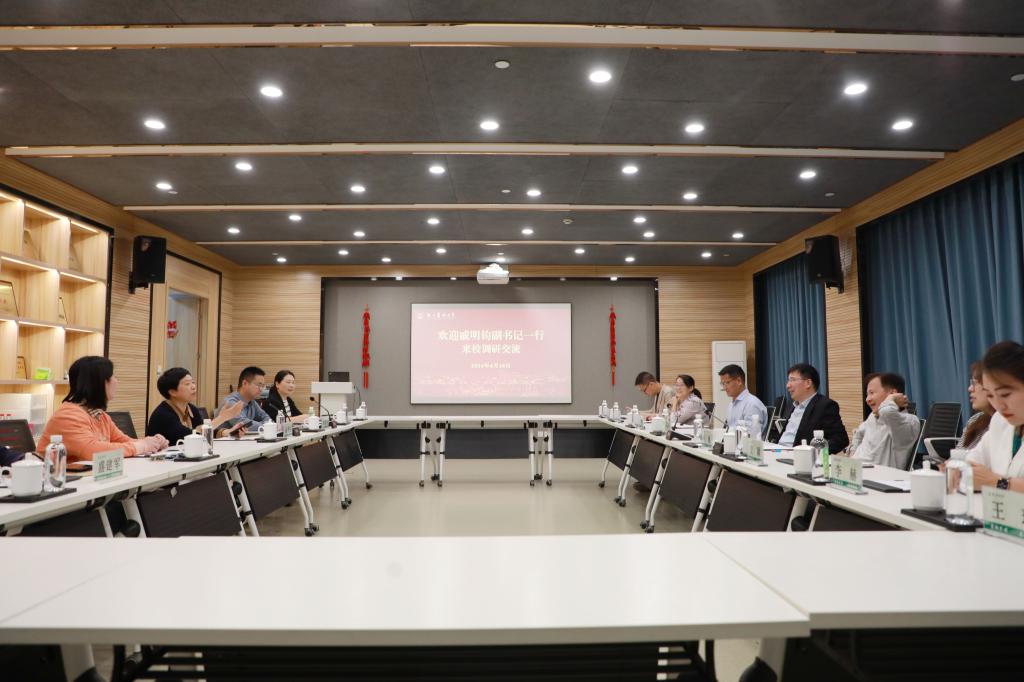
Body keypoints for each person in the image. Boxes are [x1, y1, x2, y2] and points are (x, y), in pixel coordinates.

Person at [36, 356, 167, 463]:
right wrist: (141, 446)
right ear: (98, 383)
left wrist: (152, 442)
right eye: (112, 376)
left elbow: (124, 441)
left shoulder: (100, 415)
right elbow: (92, 450)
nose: (116, 381)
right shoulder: (68, 416)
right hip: (57, 482)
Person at [967, 341, 1024, 490]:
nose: (999, 405)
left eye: (1005, 394)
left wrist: (998, 483)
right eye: (990, 396)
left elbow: (991, 480)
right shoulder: (999, 421)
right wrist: (957, 469)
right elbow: (972, 462)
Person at [146, 367, 244, 444]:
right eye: (187, 384)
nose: (193, 387)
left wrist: (229, 432)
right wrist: (222, 418)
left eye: (193, 382)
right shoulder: (163, 414)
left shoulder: (191, 409)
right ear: (172, 392)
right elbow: (191, 437)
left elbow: (204, 432)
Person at [848, 372, 921, 469]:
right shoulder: (873, 416)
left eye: (872, 393)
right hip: (854, 471)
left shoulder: (909, 421)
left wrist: (891, 399)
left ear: (893, 394)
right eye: (867, 394)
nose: (867, 399)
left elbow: (887, 412)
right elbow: (858, 433)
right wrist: (852, 455)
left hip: (878, 476)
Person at [776, 363, 849, 453]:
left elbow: (840, 440)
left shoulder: (825, 406)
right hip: (777, 451)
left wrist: (813, 452)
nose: (788, 385)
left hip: (798, 456)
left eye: (792, 380)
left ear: (808, 383)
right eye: (788, 381)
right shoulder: (792, 405)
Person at [217, 366, 272, 432]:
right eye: (258, 385)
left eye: (263, 386)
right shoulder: (230, 402)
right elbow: (244, 425)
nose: (261, 389)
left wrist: (267, 425)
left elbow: (267, 418)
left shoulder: (252, 402)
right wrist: (268, 426)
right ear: (245, 383)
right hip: (224, 438)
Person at [718, 364, 767, 430]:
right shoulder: (731, 405)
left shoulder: (752, 404)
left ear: (739, 381)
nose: (724, 388)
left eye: (727, 382)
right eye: (723, 384)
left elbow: (751, 434)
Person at [959, 361, 994, 450]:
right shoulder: (975, 419)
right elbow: (958, 452)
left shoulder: (1008, 424)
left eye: (975, 383)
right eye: (971, 383)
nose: (970, 389)